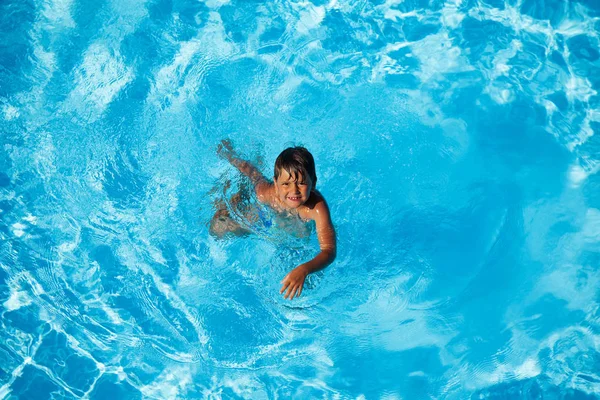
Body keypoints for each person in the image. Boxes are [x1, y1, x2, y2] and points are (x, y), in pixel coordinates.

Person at [210, 140, 336, 300]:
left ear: (314, 183)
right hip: (268, 217)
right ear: (275, 183)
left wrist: (305, 269)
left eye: (302, 183)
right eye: (286, 184)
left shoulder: (316, 208)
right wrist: (229, 154)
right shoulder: (265, 193)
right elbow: (251, 173)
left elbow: (329, 251)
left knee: (308, 285)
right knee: (218, 229)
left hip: (294, 234)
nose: (294, 190)